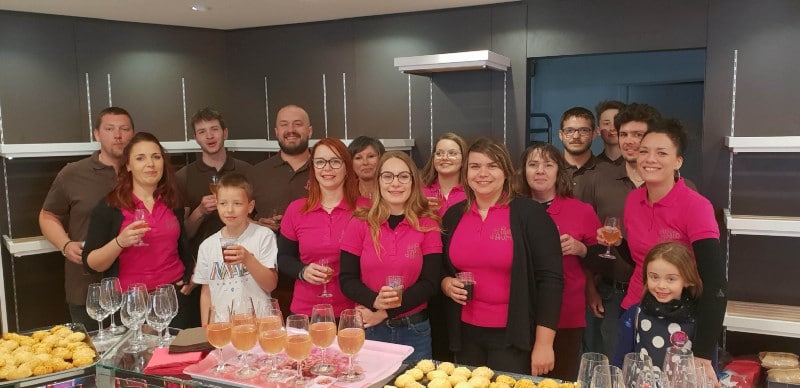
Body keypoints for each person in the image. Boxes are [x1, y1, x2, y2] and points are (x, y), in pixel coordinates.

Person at [597, 119, 726, 385]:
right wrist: (617, 242)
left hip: (683, 320)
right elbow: (640, 261)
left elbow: (715, 284)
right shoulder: (634, 199)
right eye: (644, 151)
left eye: (662, 153)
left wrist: (702, 353)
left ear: (678, 161)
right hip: (636, 309)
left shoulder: (695, 206)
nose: (650, 159)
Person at [439, 137, 563, 375]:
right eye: (475, 166)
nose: (482, 173)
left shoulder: (531, 215)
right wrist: (446, 284)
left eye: (492, 166)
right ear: (465, 173)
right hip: (465, 332)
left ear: (506, 171)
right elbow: (442, 268)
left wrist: (544, 344)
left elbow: (551, 282)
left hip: (513, 335)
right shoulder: (454, 216)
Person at [82, 132, 199, 329]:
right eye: (140, 158)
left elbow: (182, 246)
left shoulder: (173, 202)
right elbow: (91, 263)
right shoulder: (110, 206)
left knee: (177, 358)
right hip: (131, 304)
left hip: (174, 299)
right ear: (128, 165)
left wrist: (192, 275)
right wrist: (120, 242)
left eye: (156, 157)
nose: (150, 164)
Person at [339, 151, 442, 363]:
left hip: (414, 330)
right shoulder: (359, 222)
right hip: (370, 330)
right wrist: (374, 300)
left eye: (403, 176)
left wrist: (384, 312)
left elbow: (430, 284)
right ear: (378, 182)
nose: (395, 183)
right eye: (388, 176)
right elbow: (347, 279)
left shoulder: (428, 224)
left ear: (414, 182)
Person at [39, 107, 135, 330]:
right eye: (110, 129)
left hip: (136, 288)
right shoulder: (73, 173)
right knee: (94, 360)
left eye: (124, 129)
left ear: (133, 133)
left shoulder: (144, 170)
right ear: (97, 134)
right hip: (88, 289)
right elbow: (47, 215)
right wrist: (65, 244)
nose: (118, 135)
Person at [580, 103, 662, 359]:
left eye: (638, 135)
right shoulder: (598, 179)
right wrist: (589, 287)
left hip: (663, 295)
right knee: (614, 365)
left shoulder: (676, 186)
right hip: (611, 292)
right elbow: (585, 236)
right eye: (624, 134)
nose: (629, 141)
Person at [516, 143, 601, 382]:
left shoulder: (581, 210)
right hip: (519, 313)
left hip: (566, 313)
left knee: (560, 379)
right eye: (533, 165)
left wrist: (581, 249)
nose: (540, 171)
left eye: (548, 165)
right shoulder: (512, 209)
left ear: (558, 171)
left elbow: (605, 261)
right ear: (523, 172)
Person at [277, 137, 363, 317]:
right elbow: (284, 258)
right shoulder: (296, 209)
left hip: (353, 311)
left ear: (347, 167)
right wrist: (302, 271)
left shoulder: (367, 209)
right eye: (320, 162)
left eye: (335, 161)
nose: (327, 168)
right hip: (305, 311)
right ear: (313, 167)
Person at [248, 104, 313, 317]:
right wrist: (258, 223)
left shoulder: (325, 169)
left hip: (315, 275)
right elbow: (239, 218)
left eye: (298, 124)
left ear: (309, 130)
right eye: (284, 125)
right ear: (276, 132)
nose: (291, 130)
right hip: (268, 279)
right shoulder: (257, 172)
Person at [193, 173, 278, 326]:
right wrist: (206, 327)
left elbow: (270, 284)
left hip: (258, 323)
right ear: (217, 205)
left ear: (250, 206)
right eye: (223, 203)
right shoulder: (207, 245)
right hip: (222, 326)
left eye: (237, 203)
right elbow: (206, 291)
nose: (230, 210)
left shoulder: (263, 236)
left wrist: (247, 259)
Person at [613, 242, 702, 370]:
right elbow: (620, 361)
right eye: (654, 277)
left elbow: (708, 370)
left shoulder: (700, 320)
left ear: (687, 280)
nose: (661, 285)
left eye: (671, 279)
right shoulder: (634, 314)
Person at [177, 107, 252, 257]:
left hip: (245, 260)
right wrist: (200, 212)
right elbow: (182, 236)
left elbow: (256, 224)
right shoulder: (182, 177)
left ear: (225, 133)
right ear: (196, 138)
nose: (209, 136)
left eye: (214, 129)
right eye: (202, 132)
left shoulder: (247, 171)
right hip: (201, 264)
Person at [420, 132, 468, 216]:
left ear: (464, 159)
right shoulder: (419, 191)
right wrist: (420, 209)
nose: (445, 158)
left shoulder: (472, 192)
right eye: (439, 153)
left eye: (452, 153)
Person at [558, 107, 599, 201]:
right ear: (561, 135)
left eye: (583, 130)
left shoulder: (606, 172)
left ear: (594, 134)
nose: (576, 136)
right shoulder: (550, 170)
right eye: (569, 131)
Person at [594, 100, 626, 165]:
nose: (612, 128)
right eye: (606, 123)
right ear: (598, 130)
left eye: (617, 122)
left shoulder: (639, 164)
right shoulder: (592, 167)